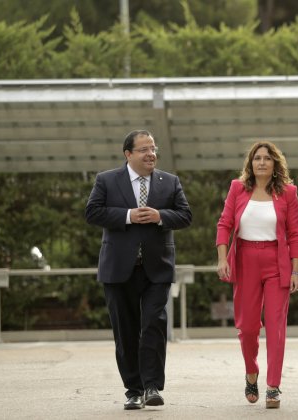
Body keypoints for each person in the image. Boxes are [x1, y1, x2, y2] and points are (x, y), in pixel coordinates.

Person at [85, 130, 192, 410]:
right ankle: (133, 390)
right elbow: (92, 212)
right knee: (126, 330)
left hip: (157, 269)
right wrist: (128, 215)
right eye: (144, 149)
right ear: (128, 154)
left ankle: (152, 386)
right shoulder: (107, 180)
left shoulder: (169, 182)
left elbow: (185, 215)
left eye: (153, 148)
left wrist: (160, 216)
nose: (151, 154)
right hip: (119, 269)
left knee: (154, 325)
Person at [216, 141, 298, 409]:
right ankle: (251, 370)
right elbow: (225, 223)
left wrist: (296, 269)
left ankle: (273, 386)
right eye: (257, 158)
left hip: (276, 263)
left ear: (275, 163)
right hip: (245, 261)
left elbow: (295, 233)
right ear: (250, 164)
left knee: (276, 327)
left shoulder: (288, 192)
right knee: (248, 326)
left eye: (267, 158)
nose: (262, 162)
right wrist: (221, 259)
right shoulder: (237, 188)